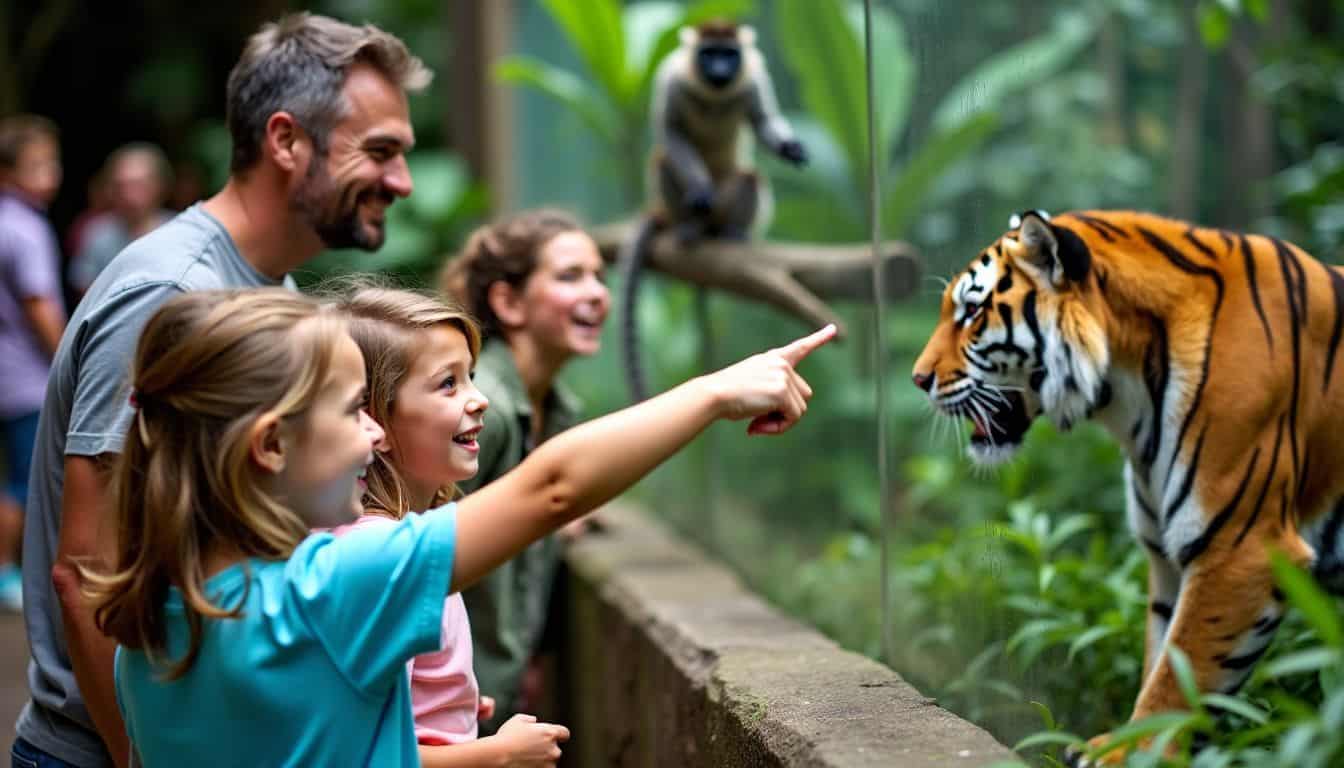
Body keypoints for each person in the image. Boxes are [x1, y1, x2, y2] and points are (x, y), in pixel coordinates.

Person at [88, 288, 831, 766]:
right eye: (353, 412)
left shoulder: (150, 627)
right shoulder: (333, 587)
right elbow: (553, 488)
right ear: (272, 446)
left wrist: (389, 731)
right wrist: (714, 392)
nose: (373, 438)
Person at [15, 13, 431, 768]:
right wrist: (138, 756)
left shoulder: (273, 291)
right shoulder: (171, 294)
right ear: (285, 141)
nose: (401, 181)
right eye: (380, 152)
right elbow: (85, 573)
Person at [333, 284, 572, 766]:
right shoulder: (378, 552)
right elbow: (359, 757)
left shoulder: (397, 533)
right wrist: (495, 754)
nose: (479, 399)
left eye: (472, 376)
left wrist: (452, 708)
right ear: (374, 417)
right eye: (448, 383)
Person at [438, 209, 609, 729]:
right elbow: (428, 551)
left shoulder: (556, 409)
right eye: (570, 276)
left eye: (599, 274)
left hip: (494, 695)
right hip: (446, 710)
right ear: (509, 302)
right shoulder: (480, 407)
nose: (599, 292)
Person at [0, 115, 67, 612]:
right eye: (39, 164)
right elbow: (38, 303)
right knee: (26, 481)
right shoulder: (26, 228)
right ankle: (11, 574)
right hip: (24, 380)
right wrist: (69, 359)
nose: (52, 173)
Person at [67, 143, 174, 296]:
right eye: (121, 186)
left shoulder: (179, 230)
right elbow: (84, 290)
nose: (128, 194)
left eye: (138, 185)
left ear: (159, 185)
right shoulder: (97, 232)